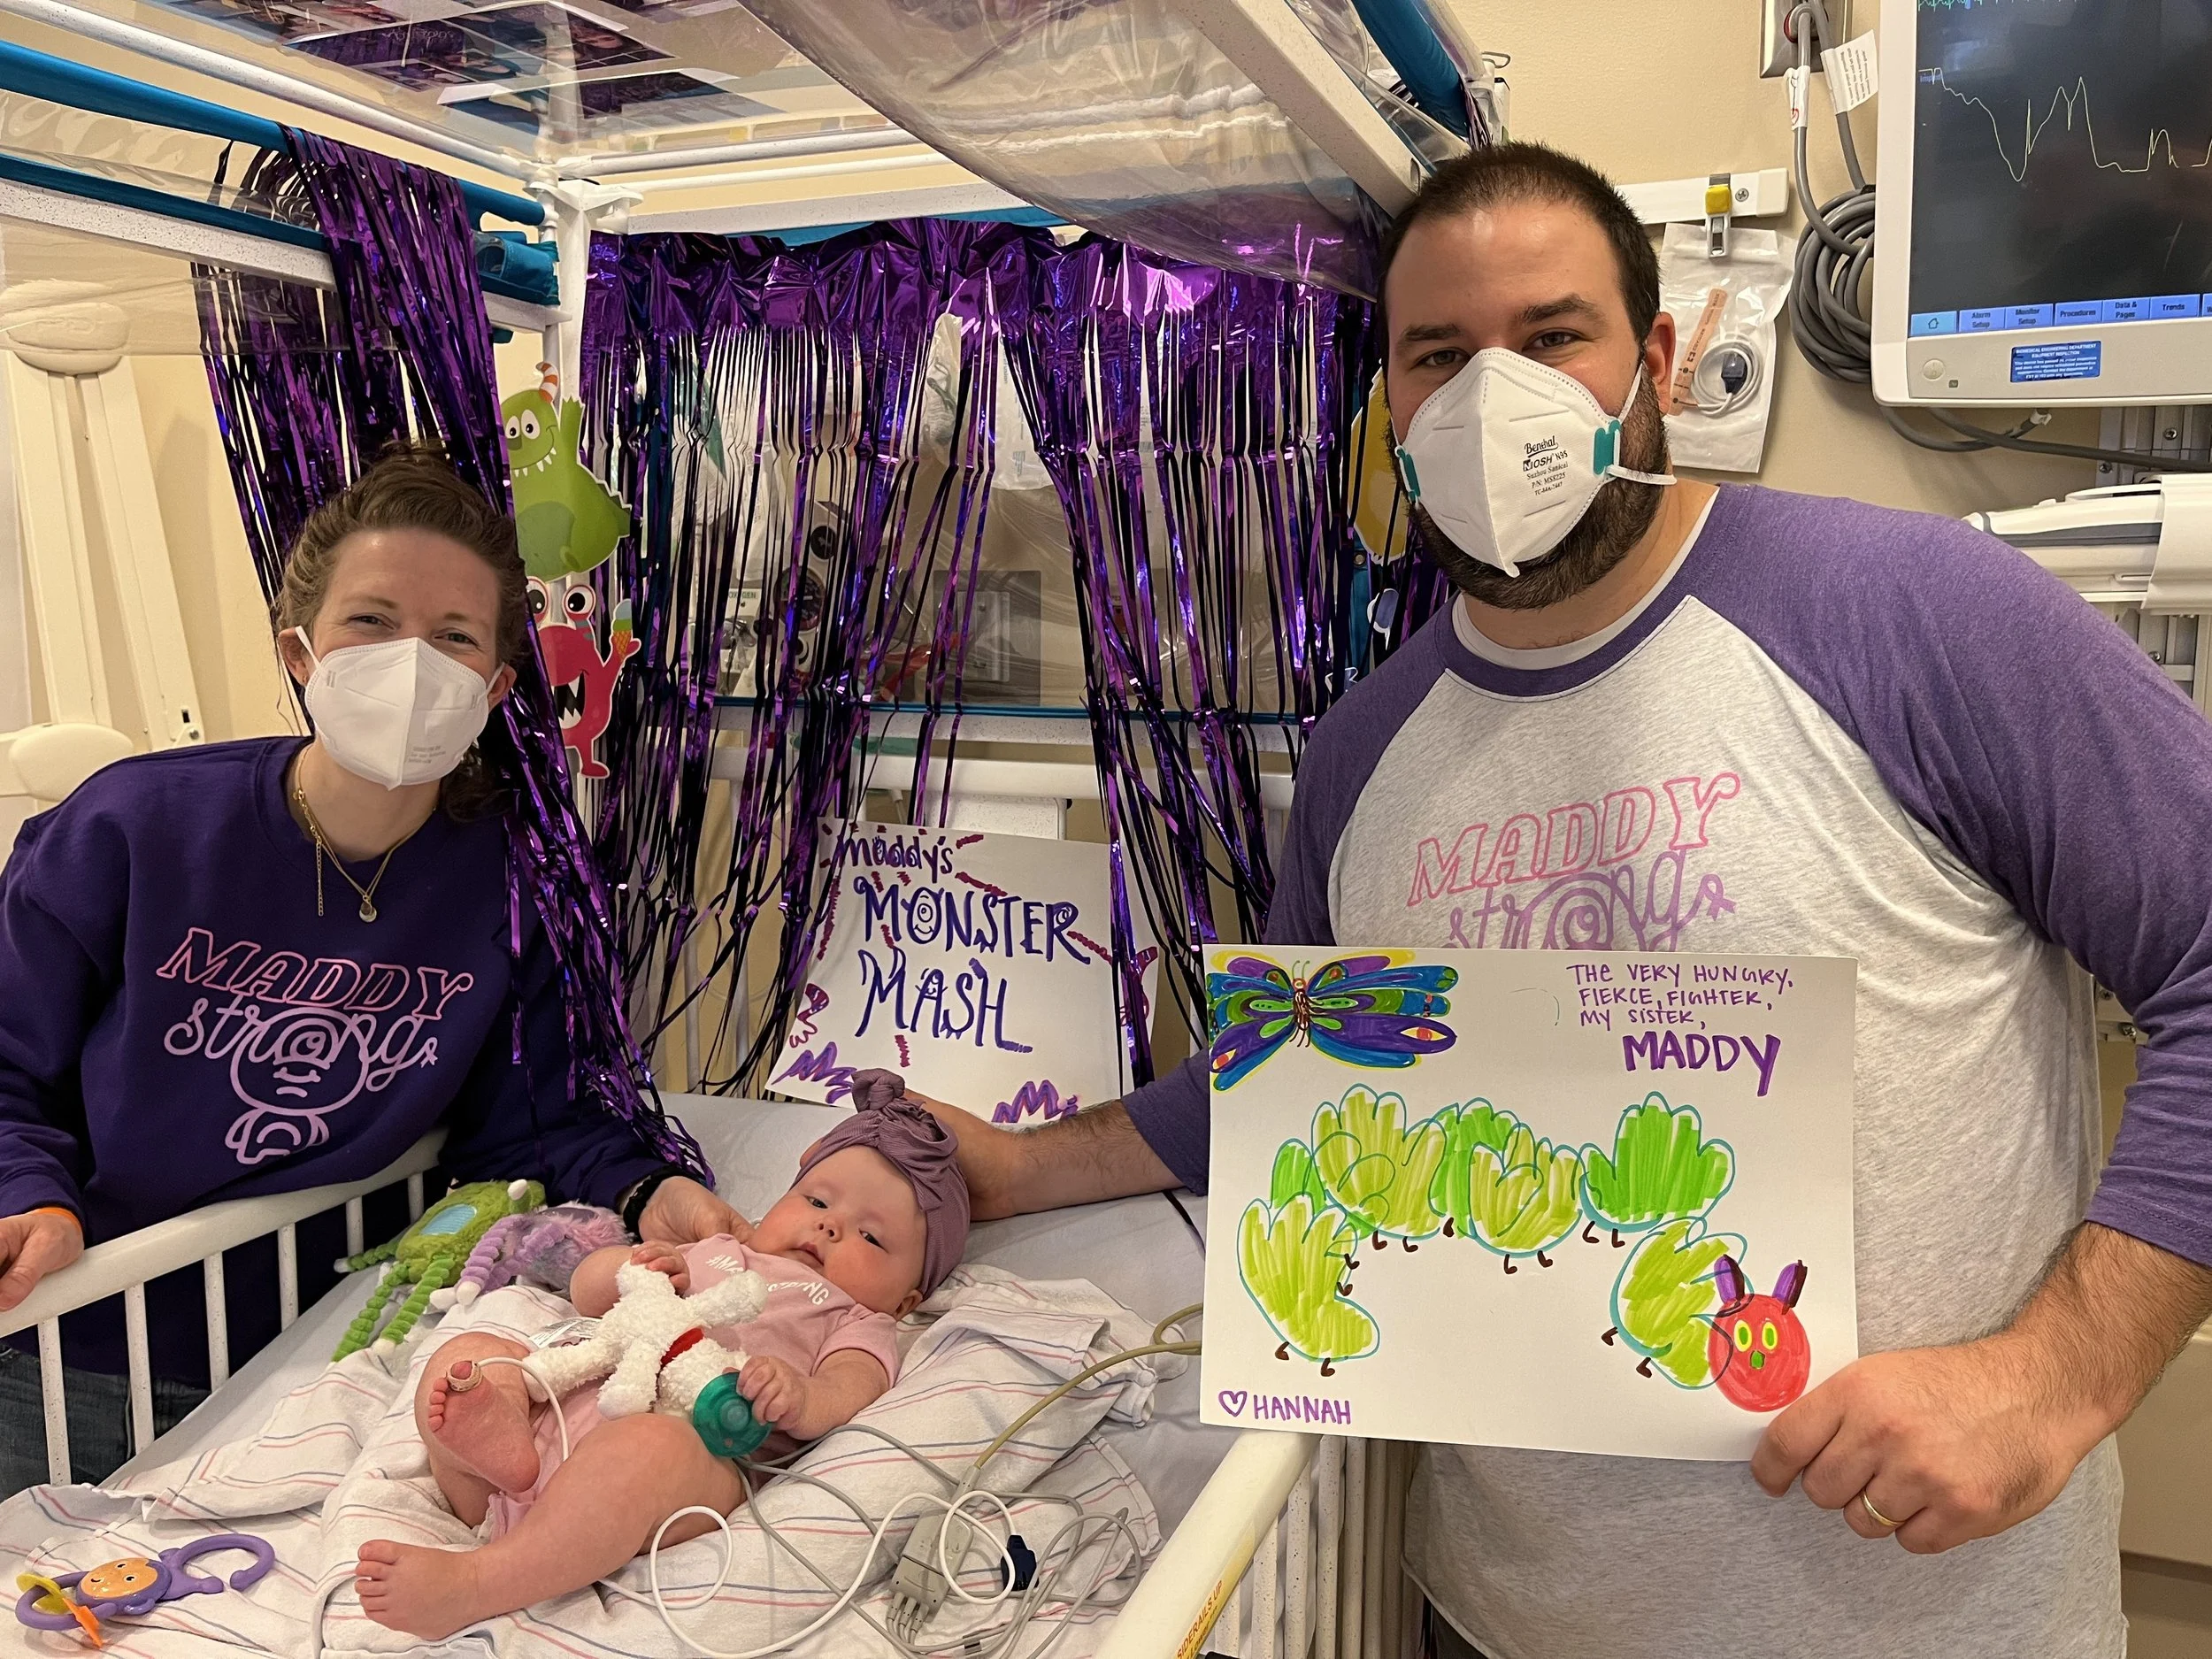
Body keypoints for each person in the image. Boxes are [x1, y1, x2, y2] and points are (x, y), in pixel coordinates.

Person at [918, 143, 2212, 1656]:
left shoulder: (1917, 620)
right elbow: (1290, 1091)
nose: (1493, 403)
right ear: (1391, 407)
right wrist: (1012, 1168)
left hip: (1926, 1620)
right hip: (1503, 1617)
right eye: (1439, 357)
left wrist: (2057, 1377)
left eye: (1551, 339)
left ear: (1654, 358)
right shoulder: (1365, 754)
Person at [0, 446, 745, 1498]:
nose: (411, 665)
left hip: (312, 1359)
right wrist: (26, 1192)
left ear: (493, 685)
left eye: (452, 639)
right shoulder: (131, 827)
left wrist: (647, 1185)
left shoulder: (516, 882)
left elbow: (529, 1118)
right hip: (67, 1335)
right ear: (299, 650)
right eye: (371, 622)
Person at [352, 1079, 970, 1640]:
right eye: (815, 1201)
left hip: (691, 1445)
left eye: (871, 1236)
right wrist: (633, 1266)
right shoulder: (717, 1247)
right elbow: (588, 1293)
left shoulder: (860, 1318)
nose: (831, 1227)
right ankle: (487, 1461)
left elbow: (851, 1385)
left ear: (909, 1295)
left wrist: (802, 1398)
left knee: (654, 1447)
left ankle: (479, 1582)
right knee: (471, 1357)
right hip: (566, 1400)